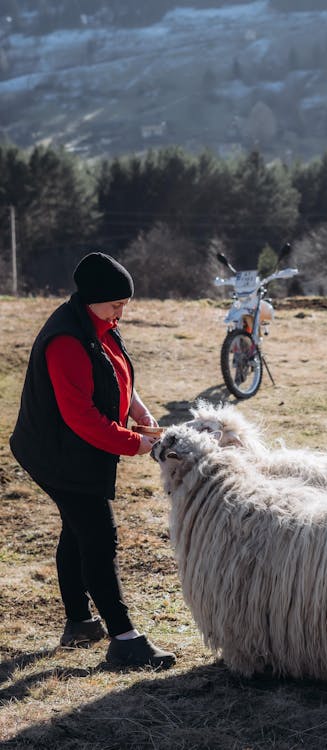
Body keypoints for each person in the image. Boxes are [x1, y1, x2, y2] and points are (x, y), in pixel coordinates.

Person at [10, 252, 176, 669]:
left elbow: (115, 373)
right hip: (57, 453)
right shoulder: (66, 340)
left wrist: (137, 410)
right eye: (117, 304)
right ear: (93, 298)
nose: (122, 312)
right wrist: (133, 443)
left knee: (78, 530)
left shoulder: (99, 324)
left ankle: (80, 623)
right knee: (99, 538)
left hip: (77, 448)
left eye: (125, 304)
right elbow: (80, 416)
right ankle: (124, 639)